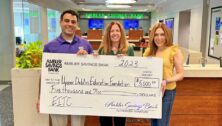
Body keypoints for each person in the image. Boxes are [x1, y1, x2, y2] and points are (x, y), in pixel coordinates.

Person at [36, 9, 93, 126]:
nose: (70, 24)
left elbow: (94, 71)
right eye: (67, 21)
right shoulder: (50, 47)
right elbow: (45, 75)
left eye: (73, 22)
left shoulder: (86, 45)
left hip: (80, 95)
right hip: (57, 96)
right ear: (60, 22)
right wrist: (40, 97)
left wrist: (89, 59)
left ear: (77, 24)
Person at [143, 22, 184, 126]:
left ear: (167, 36)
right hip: (152, 91)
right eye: (156, 35)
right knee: (154, 123)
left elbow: (181, 74)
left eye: (162, 34)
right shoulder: (149, 51)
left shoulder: (173, 50)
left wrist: (166, 80)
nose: (159, 38)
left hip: (167, 92)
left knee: (162, 123)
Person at [98, 21, 134, 126]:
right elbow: (98, 72)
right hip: (105, 93)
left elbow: (133, 71)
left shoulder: (129, 49)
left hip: (121, 94)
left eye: (117, 30)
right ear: (108, 34)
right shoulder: (102, 49)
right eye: (112, 31)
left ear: (121, 33)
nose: (115, 33)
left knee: (120, 122)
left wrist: (127, 61)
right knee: (105, 122)